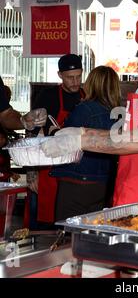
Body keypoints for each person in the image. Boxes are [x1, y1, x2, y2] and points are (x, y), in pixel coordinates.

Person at [40, 0, 138, 207]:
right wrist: (83, 132)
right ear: (137, 38)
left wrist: (80, 141)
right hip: (134, 181)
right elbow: (127, 133)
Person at [49, 66, 120, 220]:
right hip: (102, 184)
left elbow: (65, 142)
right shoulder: (118, 114)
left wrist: (53, 131)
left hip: (76, 181)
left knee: (68, 234)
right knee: (91, 233)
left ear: (91, 84)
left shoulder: (84, 109)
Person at [30, 54, 84, 225]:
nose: (75, 82)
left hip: (78, 168)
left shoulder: (86, 96)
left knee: (73, 222)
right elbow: (32, 134)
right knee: (48, 220)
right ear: (60, 75)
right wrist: (32, 173)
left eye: (78, 76)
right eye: (70, 78)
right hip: (50, 166)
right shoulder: (48, 96)